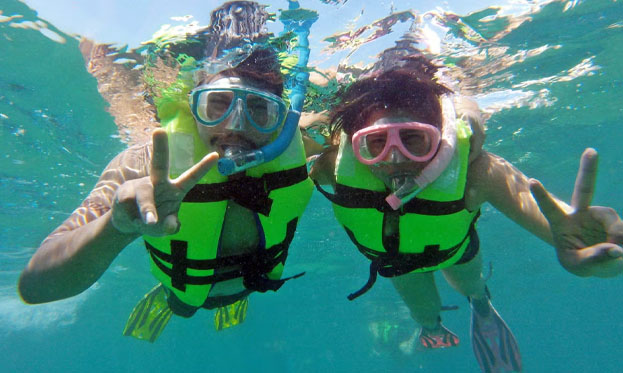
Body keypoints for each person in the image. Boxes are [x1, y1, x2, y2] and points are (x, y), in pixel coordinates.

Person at [309, 55, 623, 372]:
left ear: (441, 140)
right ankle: (432, 328)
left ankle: (481, 304)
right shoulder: (332, 168)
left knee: (471, 284)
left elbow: (547, 216)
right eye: (375, 143)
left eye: (414, 140)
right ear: (354, 145)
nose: (394, 159)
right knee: (423, 310)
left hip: (456, 250)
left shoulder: (477, 173)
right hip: (395, 264)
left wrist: (582, 242)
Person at [17, 47, 314, 342]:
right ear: (192, 109)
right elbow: (34, 288)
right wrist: (117, 226)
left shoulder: (302, 149)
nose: (235, 126)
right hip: (180, 292)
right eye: (217, 105)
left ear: (281, 118)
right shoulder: (145, 163)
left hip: (254, 284)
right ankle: (170, 302)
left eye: (260, 109)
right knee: (182, 305)